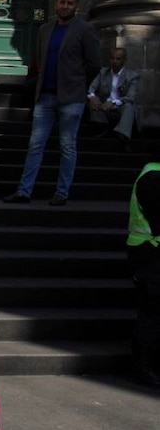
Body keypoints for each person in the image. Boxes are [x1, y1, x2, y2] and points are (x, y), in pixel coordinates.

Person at [4, 0, 102, 206]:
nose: (65, 6)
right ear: (56, 4)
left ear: (76, 7)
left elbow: (95, 63)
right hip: (45, 96)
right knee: (35, 145)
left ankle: (62, 192)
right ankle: (24, 191)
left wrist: (79, 83)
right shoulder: (45, 29)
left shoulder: (84, 30)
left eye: (70, 3)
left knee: (67, 146)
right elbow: (39, 58)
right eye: (62, 2)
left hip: (71, 98)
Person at [127, 156, 160, 387]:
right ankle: (143, 366)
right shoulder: (154, 177)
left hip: (149, 249)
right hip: (149, 251)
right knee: (152, 311)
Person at [87, 47, 139, 144]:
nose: (114, 61)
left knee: (129, 106)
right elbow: (91, 89)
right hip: (104, 106)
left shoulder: (132, 76)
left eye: (118, 59)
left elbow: (131, 97)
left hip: (120, 107)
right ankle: (101, 127)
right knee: (92, 100)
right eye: (112, 58)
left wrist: (114, 102)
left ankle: (122, 135)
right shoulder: (103, 72)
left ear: (124, 60)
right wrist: (92, 97)